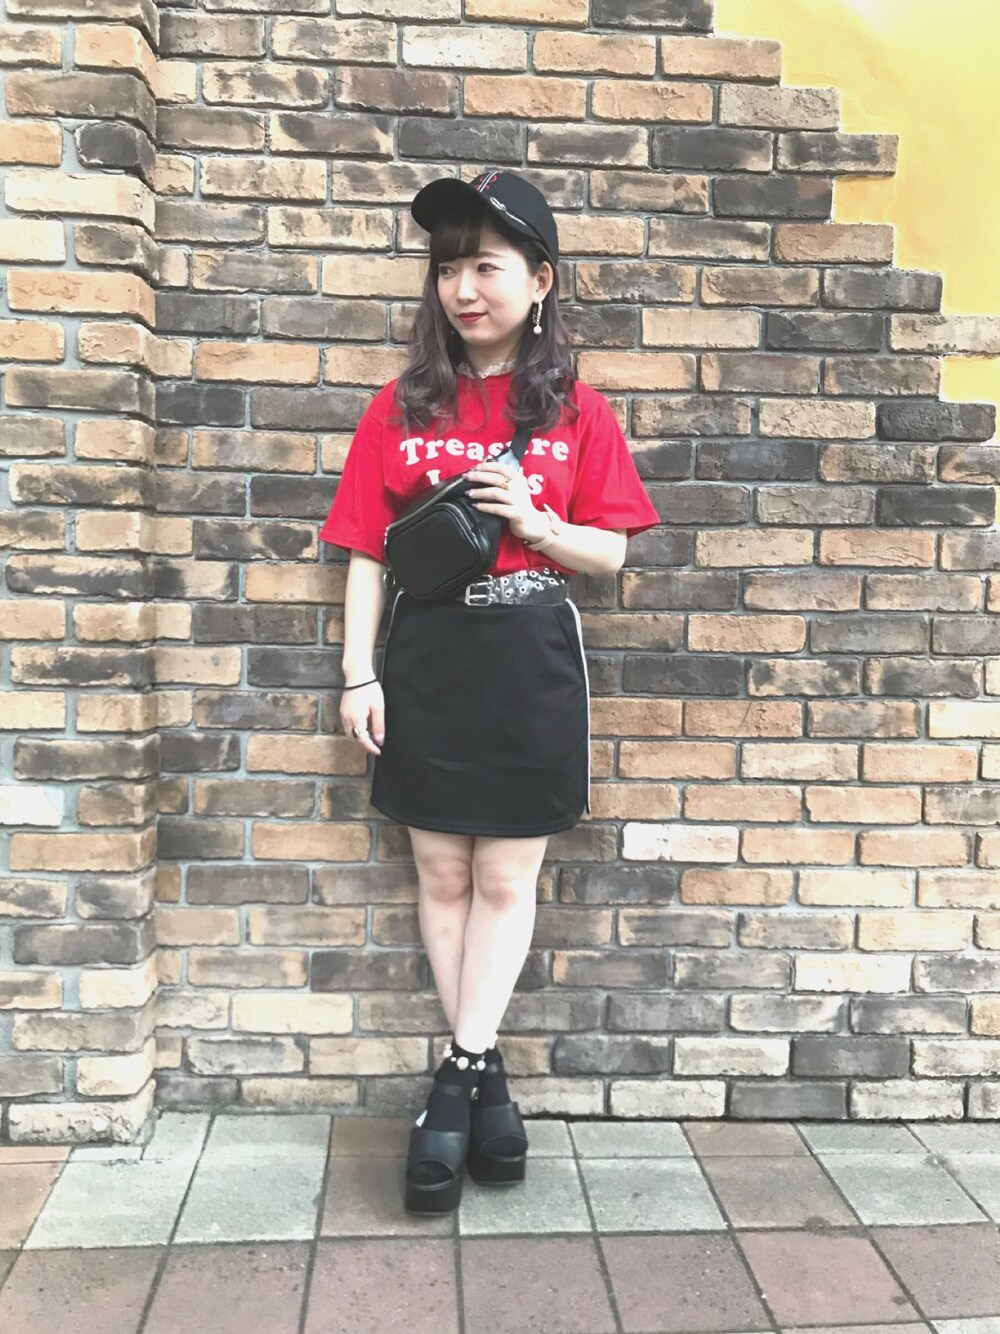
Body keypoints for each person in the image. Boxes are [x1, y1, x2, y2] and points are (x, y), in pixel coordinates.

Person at [318, 169, 660, 1215]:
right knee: (440, 873)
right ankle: (483, 1081)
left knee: (506, 880)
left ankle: (454, 1082)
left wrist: (539, 521)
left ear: (540, 279)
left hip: (527, 652)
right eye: (446, 269)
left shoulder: (575, 410)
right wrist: (358, 672)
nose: (462, 288)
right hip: (427, 652)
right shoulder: (400, 405)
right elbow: (366, 550)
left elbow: (612, 554)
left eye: (486, 266)